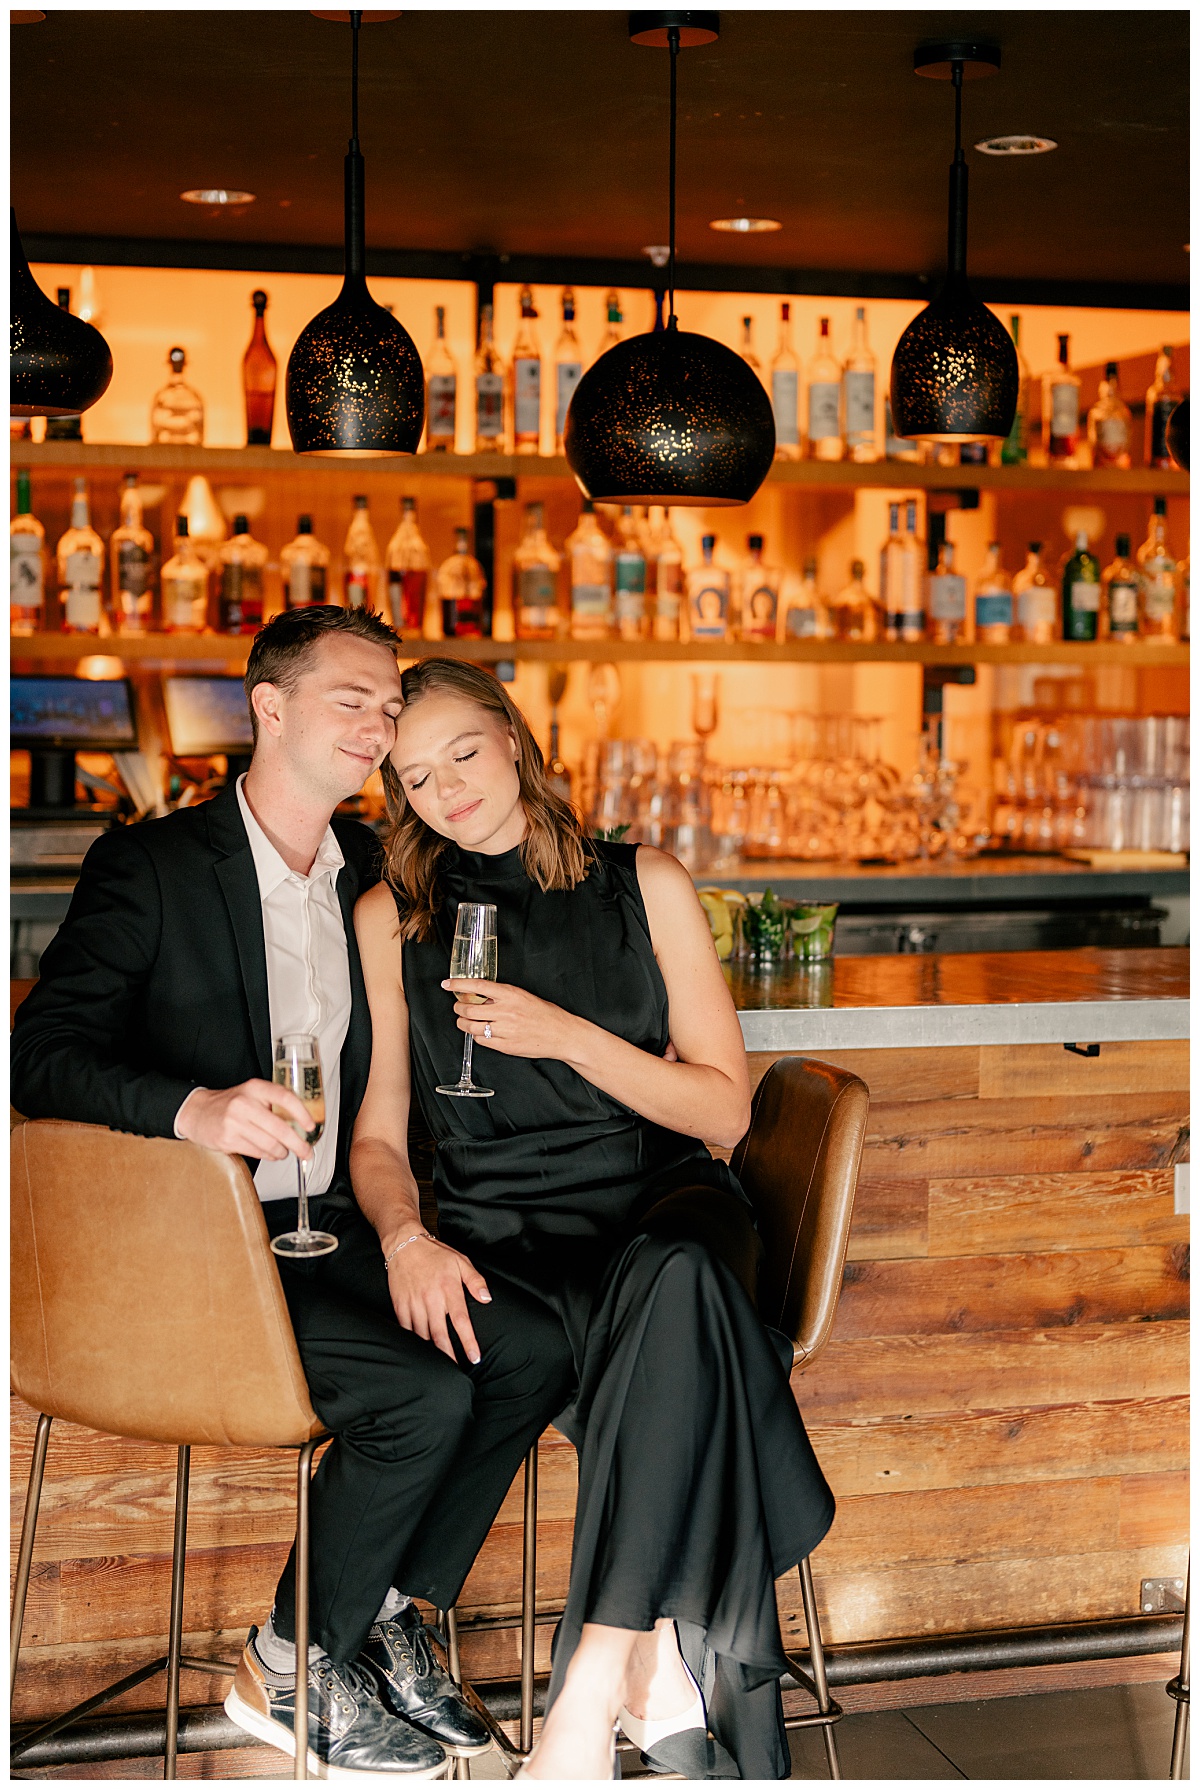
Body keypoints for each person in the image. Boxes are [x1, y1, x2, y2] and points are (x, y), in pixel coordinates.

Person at [10, 607, 575, 1780]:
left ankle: (393, 1617)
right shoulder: (155, 863)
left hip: (345, 1223)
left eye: (389, 704)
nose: (380, 724)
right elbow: (40, 1054)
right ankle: (286, 1655)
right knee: (418, 1398)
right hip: (205, 1246)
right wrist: (195, 1108)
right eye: (353, 699)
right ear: (268, 706)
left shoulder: (382, 871)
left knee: (526, 1343)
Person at [353, 658, 835, 1780]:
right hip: (504, 1231)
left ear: (513, 738)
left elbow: (722, 1106)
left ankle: (583, 1698)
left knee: (679, 1279)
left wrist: (563, 1034)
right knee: (680, 1326)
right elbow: (379, 1136)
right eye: (413, 777)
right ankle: (645, 1665)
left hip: (661, 1196)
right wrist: (404, 1235)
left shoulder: (644, 880)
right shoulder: (393, 917)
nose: (446, 791)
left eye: (463, 753)